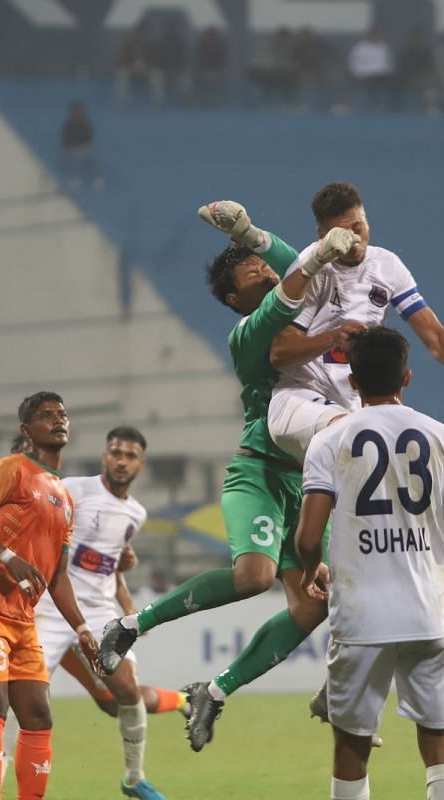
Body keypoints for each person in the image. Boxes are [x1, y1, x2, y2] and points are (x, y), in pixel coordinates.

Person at [98, 201, 360, 751]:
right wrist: (311, 262)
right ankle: (129, 626)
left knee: (314, 604)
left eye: (266, 269)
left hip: (306, 482)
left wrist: (261, 240)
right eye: (253, 275)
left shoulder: (301, 316)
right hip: (259, 473)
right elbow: (294, 283)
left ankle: (215, 692)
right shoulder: (250, 331)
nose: (267, 274)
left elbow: (292, 271)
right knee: (254, 578)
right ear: (233, 299)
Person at [297, 327, 444, 800]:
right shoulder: (442, 437)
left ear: (351, 381)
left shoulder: (329, 442)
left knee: (352, 744)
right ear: (406, 377)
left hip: (361, 617)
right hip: (428, 613)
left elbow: (308, 538)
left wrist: (310, 573)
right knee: (439, 739)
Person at [267, 181, 444, 463]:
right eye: (342, 234)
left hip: (352, 408)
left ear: (366, 220)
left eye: (358, 228)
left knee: (394, 454)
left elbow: (433, 336)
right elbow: (279, 354)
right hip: (301, 398)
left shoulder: (387, 266)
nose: (354, 241)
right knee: (362, 439)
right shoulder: (310, 269)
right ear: (322, 235)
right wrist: (333, 337)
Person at [0, 392, 97, 800]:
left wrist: (82, 628)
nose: (58, 420)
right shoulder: (10, 469)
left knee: (38, 714)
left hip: (22, 619)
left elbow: (58, 576)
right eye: (46, 415)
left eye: (62, 414)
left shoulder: (65, 499)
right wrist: (6, 556)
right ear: (26, 431)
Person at [32, 425, 170, 799]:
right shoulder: (74, 490)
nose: (121, 461)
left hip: (99, 613)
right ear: (104, 456)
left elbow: (109, 566)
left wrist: (128, 608)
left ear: (141, 464)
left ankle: (133, 779)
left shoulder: (136, 514)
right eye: (115, 453)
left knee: (127, 692)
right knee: (26, 694)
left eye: (129, 456)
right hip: (52, 607)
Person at [347, 29, 395, 111]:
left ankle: (383, 109)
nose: (373, 37)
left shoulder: (383, 47)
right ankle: (363, 109)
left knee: (389, 84)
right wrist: (361, 73)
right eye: (371, 35)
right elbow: (353, 64)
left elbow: (389, 64)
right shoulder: (360, 48)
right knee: (367, 85)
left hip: (380, 76)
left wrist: (384, 73)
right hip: (363, 76)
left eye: (375, 35)